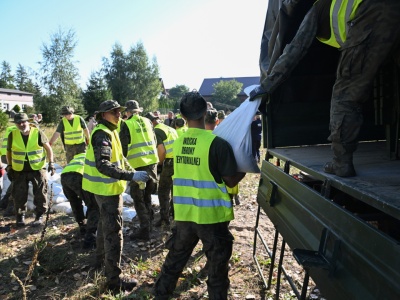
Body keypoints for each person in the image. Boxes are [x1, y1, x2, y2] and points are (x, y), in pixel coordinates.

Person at [250, 0, 400, 177]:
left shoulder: (317, 8)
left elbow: (295, 50)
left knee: (345, 95)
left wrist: (267, 86)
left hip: (371, 16)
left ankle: (341, 163)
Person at [154, 91, 246, 300]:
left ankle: (161, 295)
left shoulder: (179, 142)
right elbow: (231, 180)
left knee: (175, 260)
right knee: (217, 270)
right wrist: (246, 168)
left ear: (183, 116)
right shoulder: (216, 143)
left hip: (186, 215)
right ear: (206, 111)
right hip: (211, 218)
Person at [81, 100, 149, 292]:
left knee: (104, 226)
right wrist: (131, 176)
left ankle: (100, 261)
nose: (119, 115)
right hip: (107, 191)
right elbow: (103, 165)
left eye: (119, 111)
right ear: (104, 115)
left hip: (104, 190)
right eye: (114, 112)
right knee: (114, 232)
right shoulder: (102, 133)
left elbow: (119, 158)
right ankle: (114, 280)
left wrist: (131, 170)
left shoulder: (110, 130)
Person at [6, 113, 55, 227]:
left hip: (37, 168)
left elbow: (48, 148)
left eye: (23, 122)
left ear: (28, 121)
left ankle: (39, 216)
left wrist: (51, 163)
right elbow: (9, 151)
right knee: (19, 194)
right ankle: (20, 217)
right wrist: (9, 166)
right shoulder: (12, 134)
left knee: (40, 193)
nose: (21, 125)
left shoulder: (37, 132)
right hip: (19, 170)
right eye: (18, 123)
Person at [119, 100, 159, 240]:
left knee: (138, 198)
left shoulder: (126, 124)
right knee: (147, 195)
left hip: (137, 166)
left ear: (127, 112)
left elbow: (122, 148)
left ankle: (144, 230)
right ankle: (149, 223)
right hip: (152, 164)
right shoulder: (148, 121)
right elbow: (154, 141)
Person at [145, 112, 178, 227]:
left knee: (163, 191)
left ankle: (164, 218)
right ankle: (175, 215)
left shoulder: (157, 131)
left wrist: (158, 164)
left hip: (169, 163)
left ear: (151, 122)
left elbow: (162, 151)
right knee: (176, 190)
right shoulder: (169, 128)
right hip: (179, 162)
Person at [60, 152, 99, 249]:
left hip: (64, 175)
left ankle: (82, 226)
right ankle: (90, 239)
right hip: (79, 175)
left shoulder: (79, 155)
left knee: (75, 203)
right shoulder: (95, 155)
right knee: (93, 205)